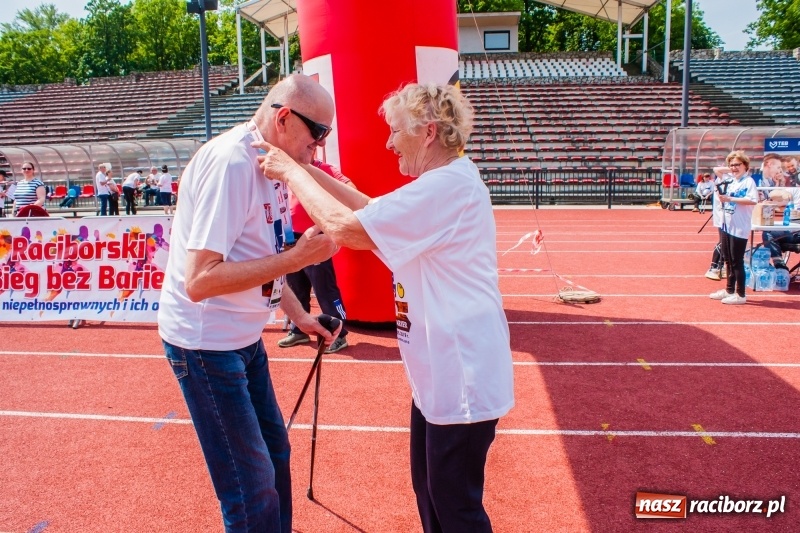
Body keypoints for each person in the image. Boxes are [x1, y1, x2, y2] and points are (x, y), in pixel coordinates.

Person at [254, 82, 514, 533]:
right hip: (440, 376)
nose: (389, 143)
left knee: (456, 508)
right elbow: (370, 209)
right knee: (431, 493)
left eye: (395, 130)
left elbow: (347, 228)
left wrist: (292, 174)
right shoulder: (442, 181)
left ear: (428, 132)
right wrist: (306, 168)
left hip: (462, 379)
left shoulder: (447, 186)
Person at [157, 74, 341, 533]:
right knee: (250, 485)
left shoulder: (270, 160)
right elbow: (200, 280)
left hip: (243, 340)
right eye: (318, 133)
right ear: (284, 118)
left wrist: (300, 315)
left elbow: (262, 254)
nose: (320, 146)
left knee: (276, 454)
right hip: (207, 347)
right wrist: (298, 258)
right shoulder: (231, 165)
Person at [277, 159, 352, 354]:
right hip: (290, 238)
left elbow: (350, 189)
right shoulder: (284, 167)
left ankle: (339, 334)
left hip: (315, 239)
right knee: (296, 287)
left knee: (324, 288)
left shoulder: (322, 168)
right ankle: (299, 330)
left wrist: (326, 223)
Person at [709, 151, 758, 305]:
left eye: (737, 164)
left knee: (737, 261)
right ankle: (729, 290)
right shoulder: (732, 180)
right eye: (731, 165)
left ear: (745, 165)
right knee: (728, 260)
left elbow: (752, 200)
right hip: (727, 225)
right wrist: (731, 170)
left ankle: (741, 294)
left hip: (739, 226)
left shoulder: (748, 181)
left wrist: (730, 198)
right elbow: (717, 170)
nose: (734, 168)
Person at [761, 186, 800, 271]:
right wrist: (771, 200)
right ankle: (779, 264)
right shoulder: (795, 191)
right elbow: (774, 194)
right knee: (768, 232)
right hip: (791, 231)